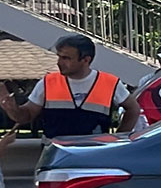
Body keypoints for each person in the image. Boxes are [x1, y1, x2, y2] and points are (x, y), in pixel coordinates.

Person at [0, 34, 140, 139]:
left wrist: (118, 138)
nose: (59, 62)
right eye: (59, 56)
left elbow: (133, 109)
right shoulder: (48, 83)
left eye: (66, 58)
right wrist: (13, 110)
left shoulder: (110, 83)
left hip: (94, 154)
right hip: (55, 155)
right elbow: (26, 115)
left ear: (86, 60)